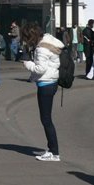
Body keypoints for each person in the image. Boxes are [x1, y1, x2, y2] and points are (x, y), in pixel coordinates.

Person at [22, 21, 64, 162]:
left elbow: (40, 69)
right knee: (46, 119)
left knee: (46, 119)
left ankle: (54, 152)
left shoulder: (41, 49)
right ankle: (52, 150)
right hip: (51, 82)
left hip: (46, 84)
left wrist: (27, 64)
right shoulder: (48, 40)